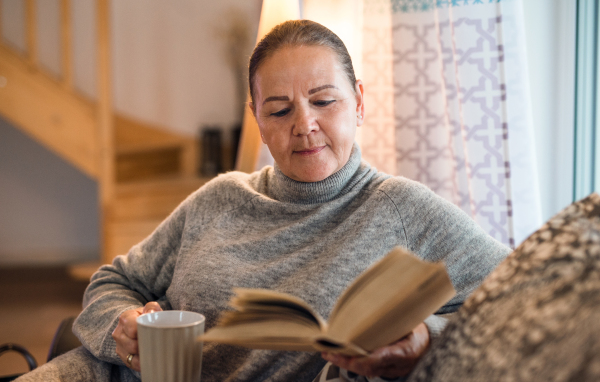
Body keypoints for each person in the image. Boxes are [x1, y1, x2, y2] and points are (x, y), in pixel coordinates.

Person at [16, 20, 509, 382]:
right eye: (279, 109)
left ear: (358, 102)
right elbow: (114, 280)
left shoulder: (402, 208)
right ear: (257, 118)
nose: (304, 125)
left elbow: (523, 294)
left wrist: (428, 336)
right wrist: (119, 330)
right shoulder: (221, 197)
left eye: (324, 101)